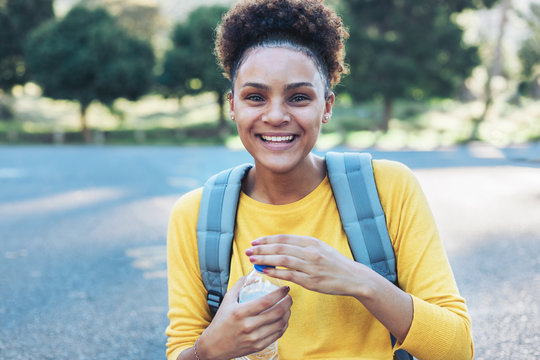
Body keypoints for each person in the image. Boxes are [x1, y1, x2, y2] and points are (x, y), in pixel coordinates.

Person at [165, 0, 473, 359]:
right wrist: (209, 350)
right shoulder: (196, 215)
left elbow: (457, 349)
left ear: (327, 106)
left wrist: (360, 281)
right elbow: (181, 349)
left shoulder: (389, 188)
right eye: (255, 97)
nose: (276, 115)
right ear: (232, 104)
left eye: (298, 97)